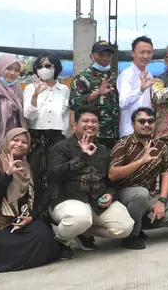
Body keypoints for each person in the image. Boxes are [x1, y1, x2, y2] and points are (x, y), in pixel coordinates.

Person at [46, 106, 134, 259]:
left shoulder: (103, 150)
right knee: (80, 218)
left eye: (94, 121)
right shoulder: (61, 148)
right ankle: (61, 240)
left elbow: (111, 181)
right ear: (75, 125)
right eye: (85, 121)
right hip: (66, 199)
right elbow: (54, 174)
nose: (90, 124)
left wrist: (110, 195)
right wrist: (82, 157)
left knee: (125, 227)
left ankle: (82, 232)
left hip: (96, 202)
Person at [0, 128, 59, 272]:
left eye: (24, 142)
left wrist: (31, 217)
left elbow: (38, 198)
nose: (19, 144)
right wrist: (7, 174)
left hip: (22, 220)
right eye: (15, 140)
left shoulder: (28, 168)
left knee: (44, 237)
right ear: (7, 141)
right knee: (10, 248)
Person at [108, 106, 168, 249]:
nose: (147, 125)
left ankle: (138, 223)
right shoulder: (123, 144)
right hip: (125, 194)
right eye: (141, 121)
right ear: (132, 124)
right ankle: (131, 236)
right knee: (140, 194)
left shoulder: (161, 146)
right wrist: (141, 161)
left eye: (150, 121)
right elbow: (112, 174)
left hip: (149, 194)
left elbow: (166, 175)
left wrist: (161, 200)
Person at [24, 53, 70, 211]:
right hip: (37, 137)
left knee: (55, 177)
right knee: (36, 176)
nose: (43, 69)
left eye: (48, 66)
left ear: (56, 67)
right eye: (39, 66)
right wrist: (36, 95)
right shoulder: (30, 88)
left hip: (57, 138)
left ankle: (52, 213)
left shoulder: (63, 89)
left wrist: (64, 137)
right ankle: (34, 212)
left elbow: (65, 117)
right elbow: (29, 115)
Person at [69, 41, 120, 148]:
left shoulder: (114, 77)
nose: (104, 59)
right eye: (100, 55)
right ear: (91, 56)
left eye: (108, 55)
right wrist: (97, 94)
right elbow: (74, 103)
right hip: (92, 134)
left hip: (113, 134)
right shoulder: (82, 78)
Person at [118, 36, 155, 138]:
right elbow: (123, 103)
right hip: (129, 132)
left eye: (149, 52)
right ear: (133, 53)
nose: (146, 56)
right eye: (142, 52)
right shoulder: (126, 75)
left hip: (147, 130)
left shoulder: (149, 75)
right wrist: (140, 90)